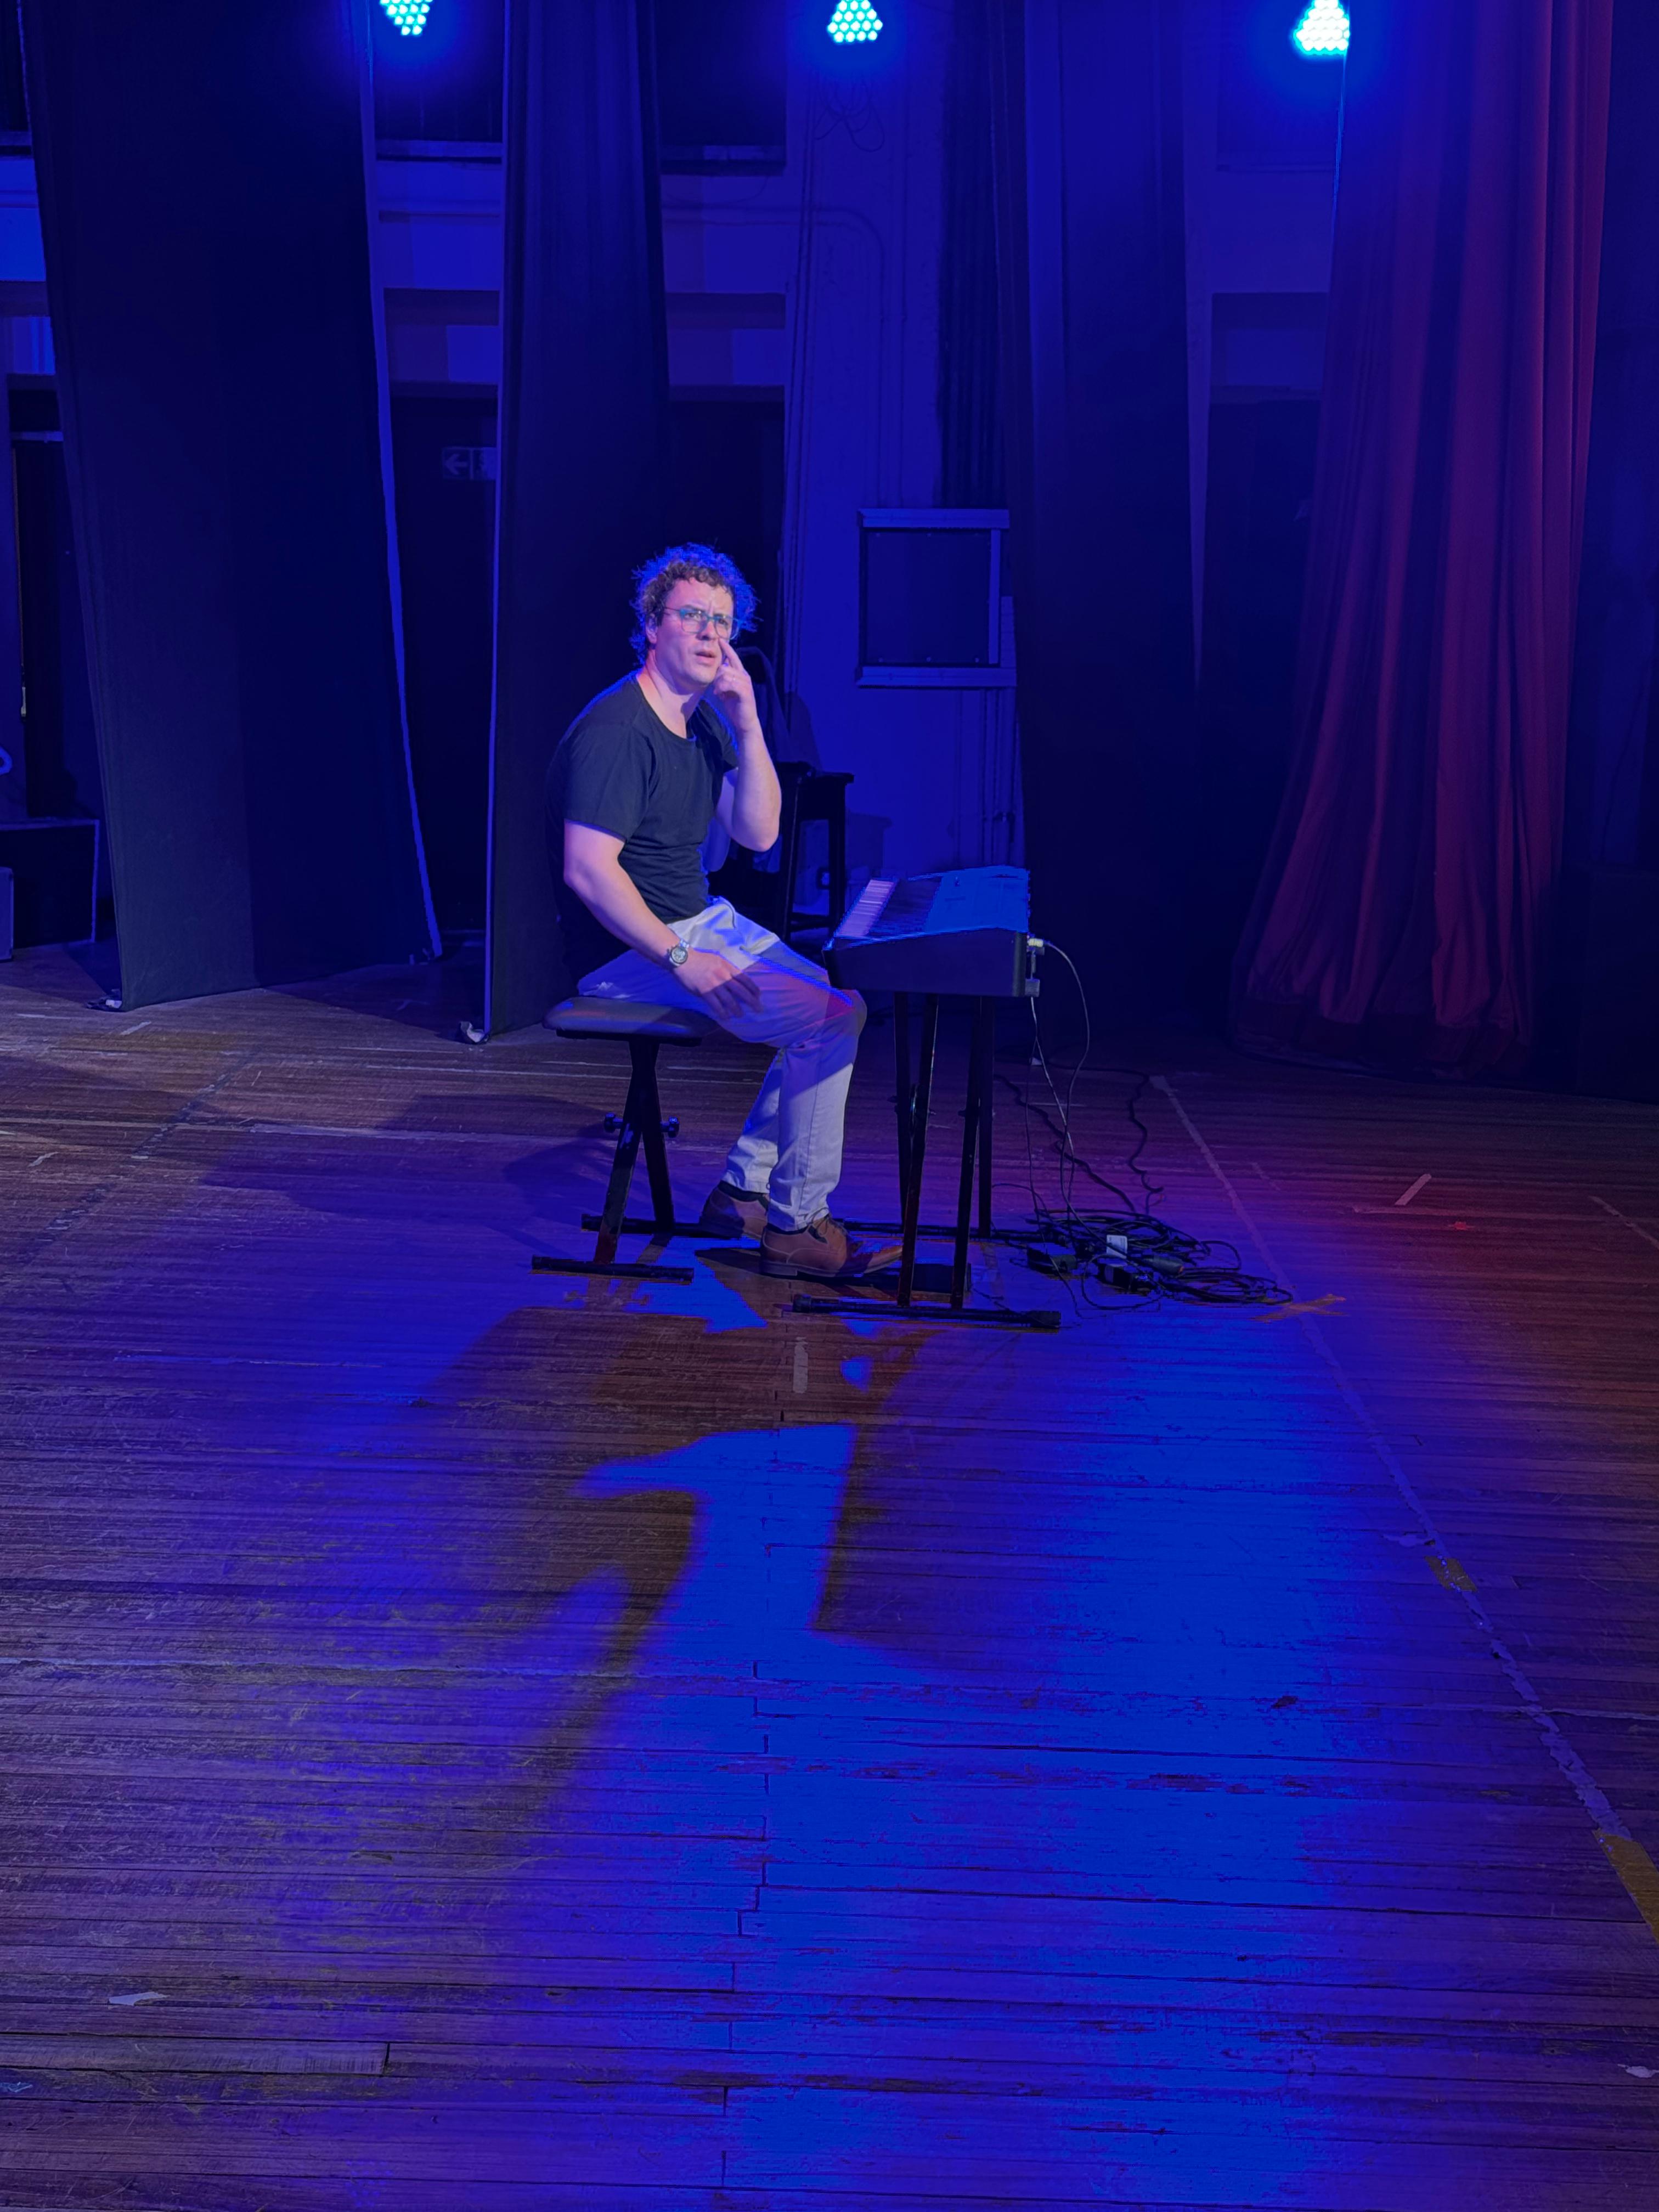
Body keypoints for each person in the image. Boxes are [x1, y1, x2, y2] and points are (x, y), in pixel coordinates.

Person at [546, 544, 899, 1283]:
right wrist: (684, 960)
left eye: (722, 622)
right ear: (653, 626)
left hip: (697, 919)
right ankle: (795, 1224)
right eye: (693, 617)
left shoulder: (704, 720)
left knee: (840, 1006)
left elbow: (759, 834)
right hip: (627, 951)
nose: (711, 635)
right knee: (827, 1021)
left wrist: (748, 725)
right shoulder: (618, 731)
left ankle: (743, 1193)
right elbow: (588, 870)